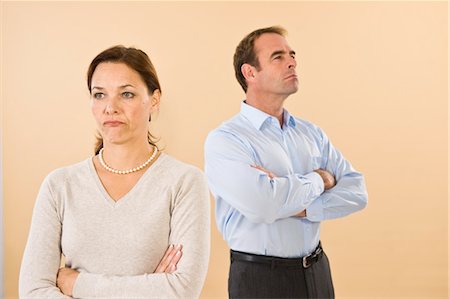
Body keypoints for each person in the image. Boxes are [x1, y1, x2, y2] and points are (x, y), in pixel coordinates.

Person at [19, 45, 210, 298]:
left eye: (127, 94)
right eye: (99, 95)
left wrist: (76, 284)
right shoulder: (59, 185)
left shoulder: (185, 182)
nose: (110, 107)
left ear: (154, 100)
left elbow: (181, 290)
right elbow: (33, 290)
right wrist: (150, 287)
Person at [204, 26, 368, 298]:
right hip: (260, 279)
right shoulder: (226, 140)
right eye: (278, 56)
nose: (292, 62)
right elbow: (265, 205)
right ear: (250, 73)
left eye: (292, 55)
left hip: (317, 272)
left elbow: (357, 192)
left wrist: (296, 205)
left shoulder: (311, 133)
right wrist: (321, 179)